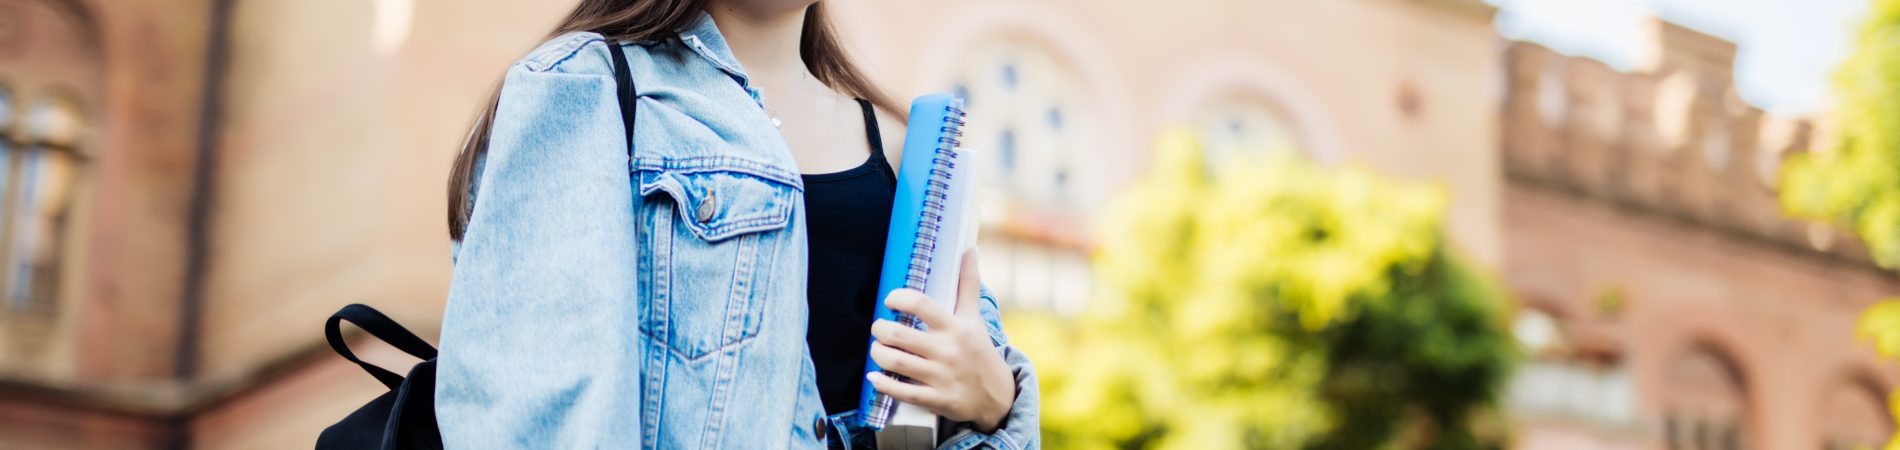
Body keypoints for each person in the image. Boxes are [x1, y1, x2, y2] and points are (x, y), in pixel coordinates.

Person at [434, 0, 1039, 448]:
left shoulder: (905, 146)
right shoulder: (581, 87)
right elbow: (541, 420)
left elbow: (952, 401)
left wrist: (992, 402)